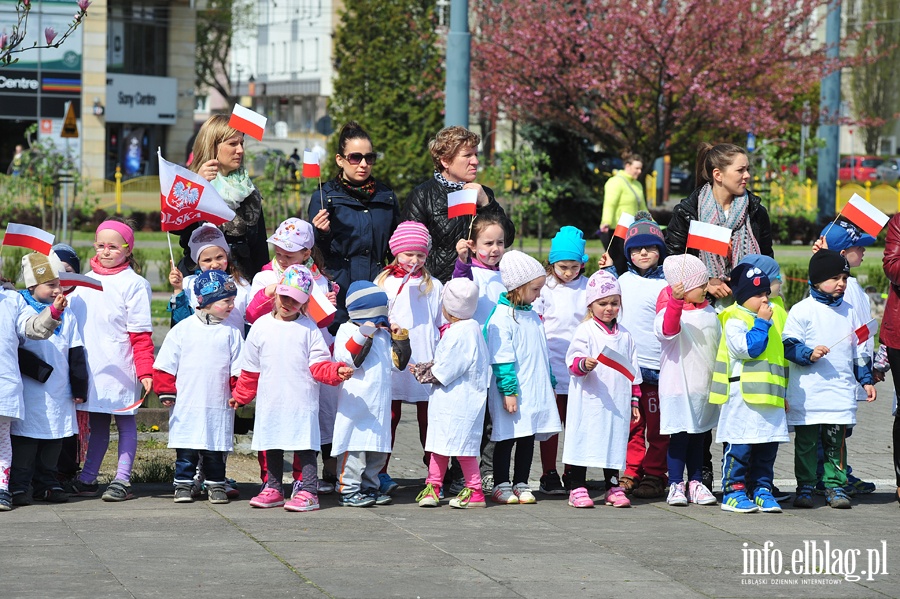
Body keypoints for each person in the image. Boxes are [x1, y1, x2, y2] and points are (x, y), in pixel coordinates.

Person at [229, 266, 352, 512]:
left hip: (301, 400)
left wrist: (335, 371)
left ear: (305, 303)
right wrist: (241, 395)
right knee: (272, 443)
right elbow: (250, 368)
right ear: (276, 293)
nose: (287, 303)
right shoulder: (261, 326)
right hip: (271, 399)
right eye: (284, 296)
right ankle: (273, 487)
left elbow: (319, 364)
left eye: (295, 301)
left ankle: (308, 490)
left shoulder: (310, 329)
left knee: (305, 445)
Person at [67, 219, 154, 502]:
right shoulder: (81, 281)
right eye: (100, 245)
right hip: (91, 366)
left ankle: (122, 479)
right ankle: (88, 477)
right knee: (98, 422)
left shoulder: (135, 284)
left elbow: (141, 335)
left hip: (121, 367)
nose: (105, 251)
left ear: (128, 250)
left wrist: (145, 371)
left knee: (126, 421)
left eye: (113, 246)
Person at [783, 250, 876, 510]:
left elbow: (858, 350)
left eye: (845, 277)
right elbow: (788, 345)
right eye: (834, 278)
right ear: (816, 280)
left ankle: (835, 485)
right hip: (809, 395)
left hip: (839, 393)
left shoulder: (849, 311)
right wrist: (808, 353)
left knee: (836, 443)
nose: (841, 283)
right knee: (806, 444)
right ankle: (805, 486)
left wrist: (865, 379)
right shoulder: (802, 310)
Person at [153, 270, 243, 505]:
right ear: (207, 301)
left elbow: (238, 369)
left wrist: (238, 393)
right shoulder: (183, 330)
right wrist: (165, 390)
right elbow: (164, 365)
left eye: (233, 300)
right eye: (226, 301)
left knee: (214, 450)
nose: (232, 306)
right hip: (187, 403)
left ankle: (215, 484)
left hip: (218, 402)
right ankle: (183, 484)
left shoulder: (231, 333)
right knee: (186, 450)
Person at [8, 253, 87, 506]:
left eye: (59, 284)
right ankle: (20, 485)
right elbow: (13, 345)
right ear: (32, 286)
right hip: (30, 388)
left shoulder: (69, 313)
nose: (57, 290)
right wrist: (35, 369)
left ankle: (48, 482)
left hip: (59, 389)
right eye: (50, 285)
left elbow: (76, 351)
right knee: (26, 439)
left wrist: (79, 386)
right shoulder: (20, 307)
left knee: (55, 436)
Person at [484, 250, 562, 504]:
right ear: (518, 287)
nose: (538, 295)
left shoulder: (531, 315)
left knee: (527, 437)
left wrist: (549, 382)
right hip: (514, 392)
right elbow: (501, 358)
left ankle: (521, 481)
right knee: (506, 438)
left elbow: (542, 353)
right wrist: (508, 390)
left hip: (533, 390)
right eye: (535, 289)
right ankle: (501, 482)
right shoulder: (502, 318)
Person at [709, 263, 788, 513]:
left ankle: (762, 488)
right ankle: (733, 490)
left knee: (767, 445)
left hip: (770, 395)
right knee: (740, 445)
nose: (765, 299)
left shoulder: (771, 316)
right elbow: (749, 348)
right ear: (743, 297)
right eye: (757, 295)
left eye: (766, 293)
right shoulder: (734, 319)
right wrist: (763, 324)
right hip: (743, 397)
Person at [309, 121, 400, 334]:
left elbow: (396, 246)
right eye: (355, 157)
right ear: (340, 160)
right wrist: (321, 233)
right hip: (339, 290)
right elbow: (313, 250)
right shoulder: (325, 197)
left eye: (369, 158)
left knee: (376, 348)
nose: (363, 164)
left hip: (376, 287)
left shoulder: (385, 197)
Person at [810, 219, 879, 496]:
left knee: (841, 428)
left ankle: (840, 472)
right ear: (841, 255)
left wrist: (871, 366)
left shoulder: (850, 286)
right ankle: (823, 476)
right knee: (829, 429)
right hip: (838, 372)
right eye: (856, 247)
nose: (863, 251)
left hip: (854, 371)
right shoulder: (839, 289)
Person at [375, 221, 443, 495]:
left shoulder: (434, 285)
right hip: (394, 358)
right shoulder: (384, 282)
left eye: (420, 255)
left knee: (431, 416)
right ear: (396, 253)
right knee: (389, 415)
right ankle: (380, 470)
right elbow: (376, 315)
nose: (414, 260)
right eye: (408, 254)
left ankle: (436, 471)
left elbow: (440, 321)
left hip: (426, 356)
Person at [563, 270, 640, 509]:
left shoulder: (625, 335)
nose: (609, 308)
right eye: (603, 303)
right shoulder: (585, 330)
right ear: (591, 304)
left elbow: (633, 369)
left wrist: (635, 400)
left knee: (614, 440)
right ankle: (577, 485)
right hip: (589, 398)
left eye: (614, 303)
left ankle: (613, 485)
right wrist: (583, 364)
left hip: (617, 399)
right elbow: (572, 359)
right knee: (583, 438)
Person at [332, 281, 412, 507]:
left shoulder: (383, 336)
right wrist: (365, 331)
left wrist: (400, 338)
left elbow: (398, 364)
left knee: (377, 450)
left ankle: (370, 486)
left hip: (379, 406)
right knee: (354, 449)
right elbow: (351, 359)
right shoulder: (347, 330)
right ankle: (348, 489)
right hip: (356, 406)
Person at [411, 278, 489, 509]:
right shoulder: (471, 328)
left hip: (457, 401)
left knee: (459, 447)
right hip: (455, 400)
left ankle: (474, 490)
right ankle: (434, 485)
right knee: (441, 445)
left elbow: (447, 369)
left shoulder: (460, 333)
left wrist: (422, 372)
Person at [404, 126, 515, 283]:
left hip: (481, 286)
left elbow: (508, 238)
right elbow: (408, 248)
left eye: (476, 154)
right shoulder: (423, 195)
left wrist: (486, 204)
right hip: (438, 286)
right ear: (445, 161)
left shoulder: (484, 193)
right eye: (467, 155)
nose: (475, 161)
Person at [665, 143, 774, 300]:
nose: (747, 175)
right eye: (740, 170)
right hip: (702, 306)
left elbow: (766, 260)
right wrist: (705, 282)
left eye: (747, 169)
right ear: (718, 175)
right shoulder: (688, 212)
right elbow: (673, 261)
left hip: (747, 303)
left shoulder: (755, 211)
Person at [654, 255, 720, 507]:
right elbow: (669, 330)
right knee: (679, 436)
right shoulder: (669, 312)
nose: (706, 288)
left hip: (702, 388)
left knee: (699, 437)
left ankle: (695, 482)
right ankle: (675, 483)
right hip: (678, 388)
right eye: (700, 284)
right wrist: (676, 301)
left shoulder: (710, 311)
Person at [450, 213, 508, 493]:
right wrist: (462, 261)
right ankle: (458, 472)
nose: (495, 248)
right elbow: (460, 286)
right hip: (473, 357)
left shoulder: (506, 274)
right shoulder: (469, 269)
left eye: (500, 242)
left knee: (492, 421)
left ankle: (486, 471)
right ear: (473, 245)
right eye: (488, 243)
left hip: (498, 356)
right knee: (471, 417)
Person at [531, 226, 590, 496]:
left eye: (574, 266)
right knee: (550, 426)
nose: (568, 273)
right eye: (562, 267)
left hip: (579, 366)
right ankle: (548, 472)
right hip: (551, 363)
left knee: (575, 423)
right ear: (552, 263)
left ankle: (573, 470)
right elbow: (535, 319)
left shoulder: (587, 286)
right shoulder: (545, 286)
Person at [175, 114, 269, 280]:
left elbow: (259, 250)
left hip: (242, 281)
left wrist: (262, 286)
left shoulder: (248, 190)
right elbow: (176, 228)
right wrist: (197, 185)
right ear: (212, 146)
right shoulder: (190, 183)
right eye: (232, 144)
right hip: (199, 280)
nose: (240, 150)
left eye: (241, 143)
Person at [0, 275, 65, 511]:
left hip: (3, 386)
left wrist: (53, 313)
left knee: (2, 441)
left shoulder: (12, 300)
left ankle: (2, 488)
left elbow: (33, 329)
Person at [618, 213, 669, 499]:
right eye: (636, 248)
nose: (643, 253)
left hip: (657, 368)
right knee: (633, 424)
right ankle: (632, 469)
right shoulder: (622, 280)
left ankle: (654, 472)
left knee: (658, 427)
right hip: (629, 369)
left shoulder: (666, 284)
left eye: (650, 247)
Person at [51, 243, 91, 486]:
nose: (62, 277)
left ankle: (66, 469)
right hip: (47, 373)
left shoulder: (82, 298)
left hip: (73, 370)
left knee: (71, 426)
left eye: (67, 270)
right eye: (56, 272)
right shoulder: (36, 300)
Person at [168, 223, 251, 334]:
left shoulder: (241, 284)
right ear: (197, 262)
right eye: (207, 260)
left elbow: (250, 321)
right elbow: (181, 322)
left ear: (227, 255)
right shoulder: (189, 284)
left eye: (219, 257)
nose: (215, 264)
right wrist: (178, 289)